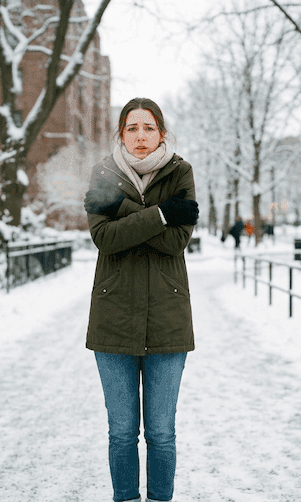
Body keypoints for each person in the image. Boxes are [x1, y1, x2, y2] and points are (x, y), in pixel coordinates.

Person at [83, 97, 199, 502]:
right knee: (121, 432)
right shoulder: (103, 173)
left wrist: (124, 210)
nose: (140, 136)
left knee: (161, 432)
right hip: (113, 318)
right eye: (132, 128)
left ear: (161, 133)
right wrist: (162, 214)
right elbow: (105, 238)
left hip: (168, 318)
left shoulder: (180, 172)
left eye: (148, 127)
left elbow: (176, 242)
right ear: (122, 133)